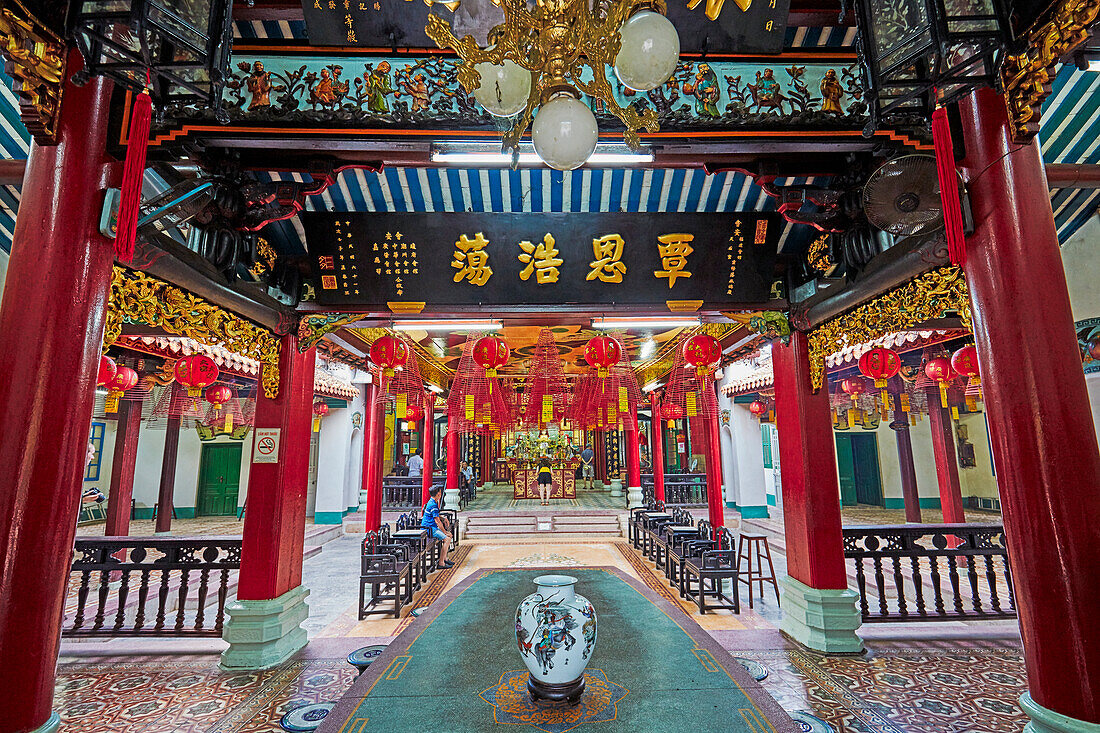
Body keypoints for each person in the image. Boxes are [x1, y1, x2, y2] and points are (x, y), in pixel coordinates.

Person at [420, 485, 453, 569]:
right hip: (430, 529)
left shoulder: (432, 502)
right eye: (440, 492)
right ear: (438, 494)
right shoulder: (433, 505)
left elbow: (437, 516)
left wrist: (443, 518)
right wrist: (445, 533)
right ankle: (441, 563)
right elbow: (437, 521)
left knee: (449, 536)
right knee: (447, 539)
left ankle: (445, 558)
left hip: (431, 527)